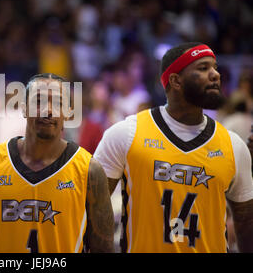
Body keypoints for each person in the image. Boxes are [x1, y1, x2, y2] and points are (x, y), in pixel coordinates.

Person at [94, 42, 253, 253]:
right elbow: (92, 209)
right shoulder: (125, 134)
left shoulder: (233, 145)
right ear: (175, 81)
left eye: (214, 67)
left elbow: (246, 224)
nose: (215, 74)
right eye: (203, 68)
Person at [0, 73, 114, 253]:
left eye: (57, 103)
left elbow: (103, 249)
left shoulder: (89, 170)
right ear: (24, 109)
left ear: (69, 112)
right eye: (38, 101)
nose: (47, 110)